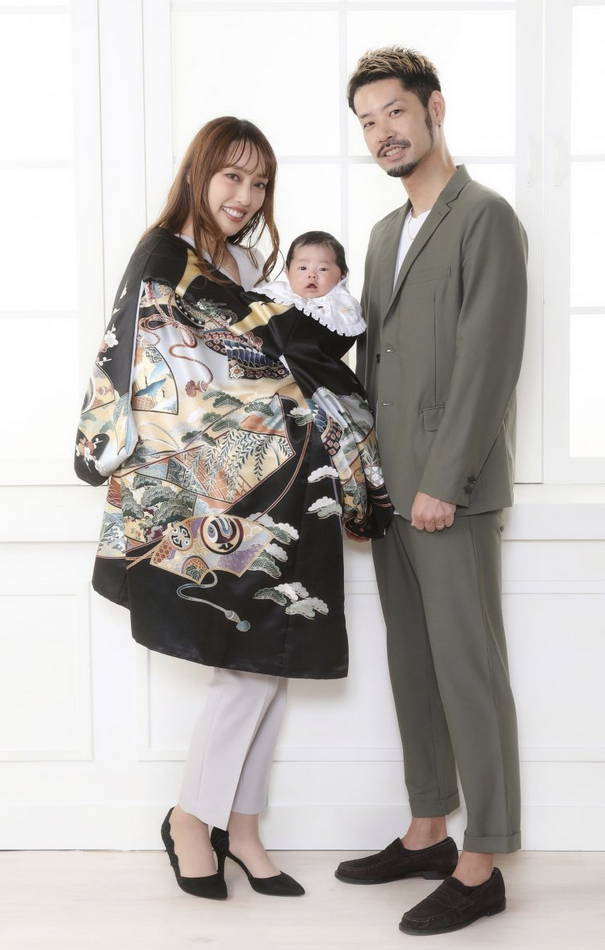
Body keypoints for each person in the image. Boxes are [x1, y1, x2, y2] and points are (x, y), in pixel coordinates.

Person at [74, 116, 392, 902]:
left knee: (270, 658)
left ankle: (241, 827)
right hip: (211, 491)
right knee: (247, 666)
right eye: (232, 177)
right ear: (199, 173)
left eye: (259, 184)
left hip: (284, 489)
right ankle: (192, 819)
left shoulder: (246, 263)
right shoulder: (164, 258)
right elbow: (144, 362)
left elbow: (283, 358)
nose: (246, 197)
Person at [334, 47, 528, 935]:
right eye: (367, 121)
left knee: (468, 670)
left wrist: (444, 481)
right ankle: (426, 833)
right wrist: (365, 489)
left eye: (394, 113)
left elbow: (490, 362)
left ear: (434, 109)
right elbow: (373, 370)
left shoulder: (486, 218)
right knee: (411, 663)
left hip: (452, 494)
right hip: (391, 494)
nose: (382, 132)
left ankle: (482, 862)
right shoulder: (383, 236)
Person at [255, 230, 364, 340]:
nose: (312, 275)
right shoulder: (276, 293)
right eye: (303, 268)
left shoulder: (341, 304)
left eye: (323, 269)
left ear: (342, 275)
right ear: (288, 271)